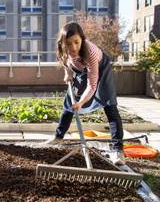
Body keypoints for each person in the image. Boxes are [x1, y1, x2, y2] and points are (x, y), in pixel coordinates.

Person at [48, 22, 125, 165]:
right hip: (81, 71)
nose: (73, 47)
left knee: (110, 107)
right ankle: (58, 137)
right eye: (69, 44)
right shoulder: (63, 49)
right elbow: (65, 60)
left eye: (76, 42)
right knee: (69, 104)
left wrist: (82, 102)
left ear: (82, 39)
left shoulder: (89, 52)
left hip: (100, 70)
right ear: (63, 43)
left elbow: (92, 85)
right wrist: (68, 73)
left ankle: (118, 150)